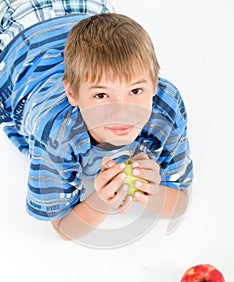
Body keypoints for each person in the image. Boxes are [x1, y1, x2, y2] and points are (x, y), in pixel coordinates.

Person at [0, 0, 193, 240]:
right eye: (101, 95)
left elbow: (180, 200)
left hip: (85, 11)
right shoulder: (56, 132)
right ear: (72, 94)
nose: (122, 112)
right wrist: (100, 202)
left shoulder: (166, 107)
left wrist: (152, 193)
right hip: (21, 31)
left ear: (154, 84)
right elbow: (63, 228)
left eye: (135, 91)